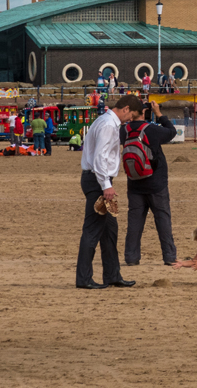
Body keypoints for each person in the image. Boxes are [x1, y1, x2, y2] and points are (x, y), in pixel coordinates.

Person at [77, 95, 141, 289]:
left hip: (97, 179)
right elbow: (100, 157)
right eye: (132, 116)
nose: (130, 120)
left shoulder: (105, 121)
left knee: (109, 231)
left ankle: (112, 275)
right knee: (92, 231)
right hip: (98, 180)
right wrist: (106, 185)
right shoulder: (108, 125)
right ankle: (84, 279)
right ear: (126, 108)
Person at [123, 101, 179, 267]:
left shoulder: (123, 131)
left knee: (134, 223)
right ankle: (169, 256)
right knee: (162, 220)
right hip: (156, 182)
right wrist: (159, 114)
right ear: (144, 112)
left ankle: (131, 257)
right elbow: (171, 132)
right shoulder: (151, 129)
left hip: (134, 182)